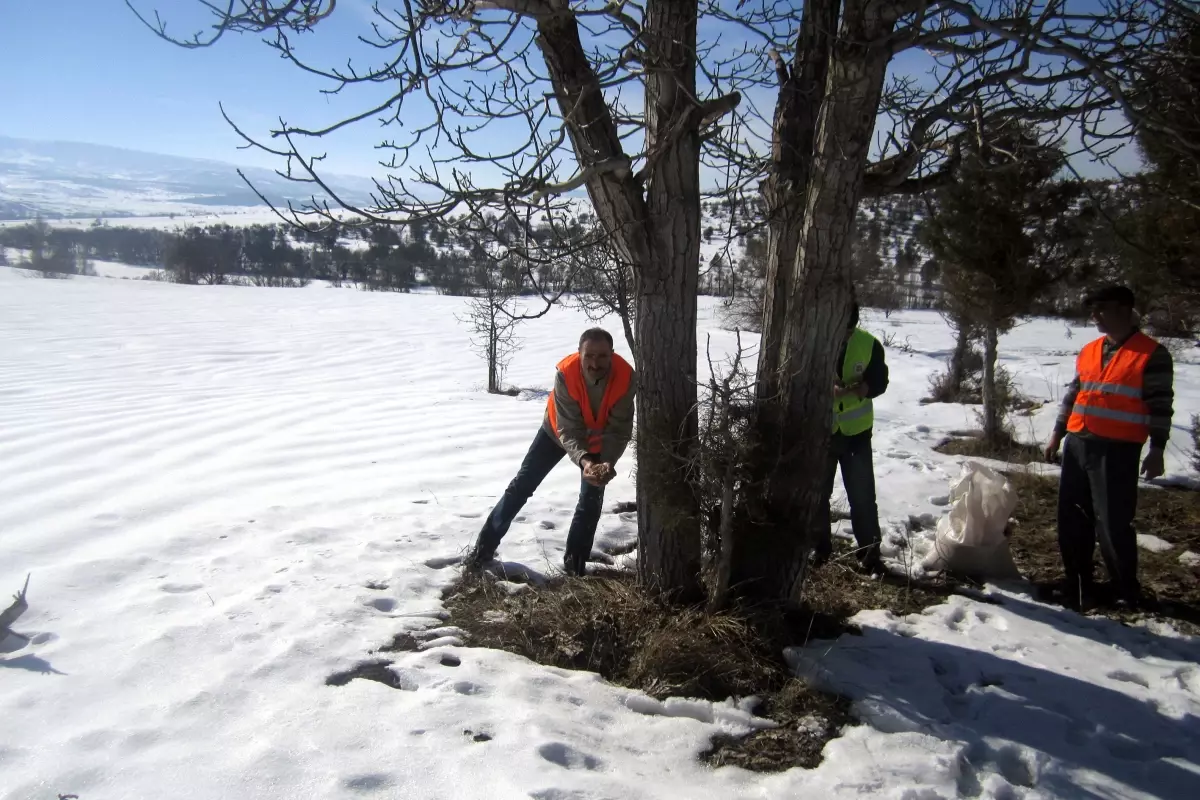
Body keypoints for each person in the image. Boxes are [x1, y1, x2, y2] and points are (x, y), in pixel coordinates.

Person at [1044, 284, 1174, 610]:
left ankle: (1124, 588)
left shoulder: (1151, 353)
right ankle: (1077, 582)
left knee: (1113, 521)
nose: (1095, 316)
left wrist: (1157, 448)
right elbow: (1074, 394)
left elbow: (1160, 404)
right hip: (1078, 442)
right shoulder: (1090, 349)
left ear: (1124, 310)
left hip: (1117, 449)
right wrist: (1058, 433)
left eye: (1101, 309)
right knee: (1072, 517)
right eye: (1093, 309)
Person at [466, 328, 636, 576]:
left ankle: (574, 568)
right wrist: (585, 461)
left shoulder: (625, 377)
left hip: (600, 442)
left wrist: (607, 462)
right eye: (589, 356)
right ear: (579, 354)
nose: (595, 363)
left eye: (602, 356)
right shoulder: (566, 374)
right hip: (556, 434)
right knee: (521, 486)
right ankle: (482, 553)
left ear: (612, 354)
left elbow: (619, 429)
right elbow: (568, 429)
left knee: (590, 502)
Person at [814, 302, 889, 574]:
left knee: (862, 496)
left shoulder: (869, 345)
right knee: (817, 495)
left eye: (847, 330)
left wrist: (856, 390)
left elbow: (879, 381)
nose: (842, 336)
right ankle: (818, 551)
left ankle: (869, 555)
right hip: (821, 433)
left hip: (856, 435)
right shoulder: (815, 340)